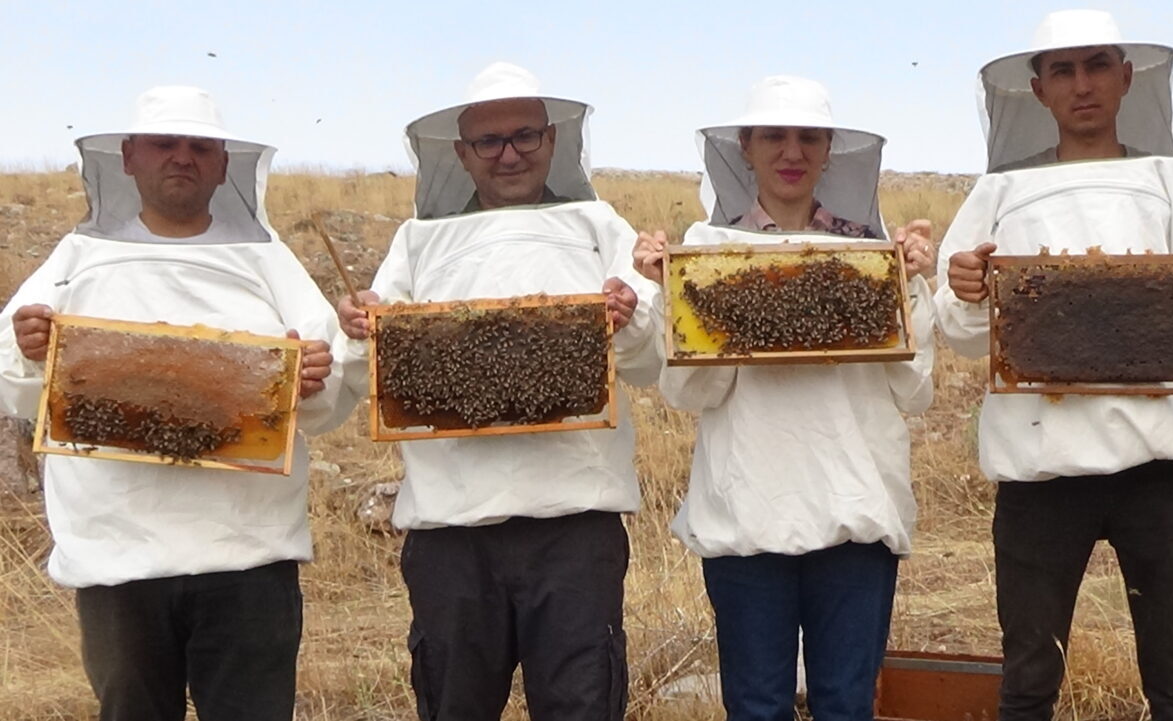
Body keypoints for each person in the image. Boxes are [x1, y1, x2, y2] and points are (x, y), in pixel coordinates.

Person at [933, 10, 1173, 721]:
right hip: (1041, 469)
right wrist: (966, 288)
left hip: (1160, 471)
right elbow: (963, 325)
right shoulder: (998, 191)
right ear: (1037, 89)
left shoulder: (1171, 179)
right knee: (1028, 676)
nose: (1082, 84)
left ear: (1126, 77)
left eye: (1096, 65)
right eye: (1063, 69)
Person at [332, 62, 662, 721]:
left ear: (552, 141)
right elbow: (357, 369)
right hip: (452, 529)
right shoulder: (417, 241)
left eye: (525, 135)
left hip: (574, 525)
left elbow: (652, 361)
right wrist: (359, 327)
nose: (509, 153)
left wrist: (629, 317)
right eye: (489, 141)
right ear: (461, 153)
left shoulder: (601, 225)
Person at [0, 86, 342, 721]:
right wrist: (30, 346)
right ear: (129, 157)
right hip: (116, 554)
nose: (182, 158)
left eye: (199, 147)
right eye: (165, 144)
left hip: (248, 554)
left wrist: (317, 374)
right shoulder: (78, 258)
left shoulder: (268, 259)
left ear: (221, 164)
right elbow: (13, 381)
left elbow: (331, 392)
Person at [634, 75, 936, 721]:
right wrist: (679, 297)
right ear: (746, 146)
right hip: (747, 514)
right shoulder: (708, 252)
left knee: (847, 705)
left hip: (856, 510)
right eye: (774, 135)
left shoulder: (870, 253)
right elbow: (688, 390)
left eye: (809, 136)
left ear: (830, 149)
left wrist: (912, 288)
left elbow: (915, 391)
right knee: (757, 707)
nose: (791, 151)